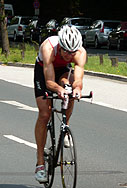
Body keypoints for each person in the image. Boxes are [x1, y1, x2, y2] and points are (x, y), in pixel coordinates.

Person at [33, 25, 87, 183]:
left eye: (73, 52)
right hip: (44, 71)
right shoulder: (49, 47)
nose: (69, 55)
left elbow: (78, 77)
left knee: (69, 88)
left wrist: (76, 88)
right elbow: (49, 81)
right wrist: (58, 89)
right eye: (66, 52)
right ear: (60, 46)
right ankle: (40, 164)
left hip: (63, 71)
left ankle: (66, 124)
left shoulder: (80, 52)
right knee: (44, 114)